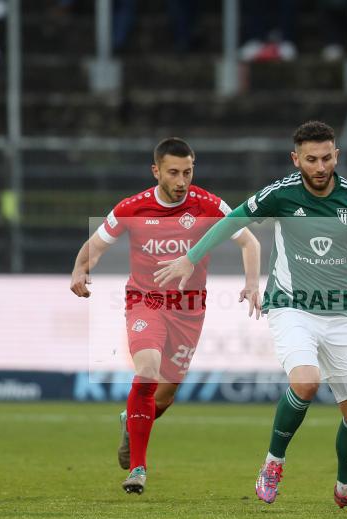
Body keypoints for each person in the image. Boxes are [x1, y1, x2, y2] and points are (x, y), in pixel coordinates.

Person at [153, 121, 347, 508]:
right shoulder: (280, 194)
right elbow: (234, 221)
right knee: (306, 382)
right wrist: (190, 257)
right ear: (295, 159)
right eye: (311, 159)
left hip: (339, 312)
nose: (319, 167)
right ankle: (273, 463)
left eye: (326, 158)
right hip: (289, 307)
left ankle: (346, 488)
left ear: (337, 156)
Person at [69, 138, 262, 494]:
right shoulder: (133, 207)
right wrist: (80, 269)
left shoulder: (208, 204)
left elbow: (250, 241)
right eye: (173, 172)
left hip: (189, 312)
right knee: (147, 372)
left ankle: (132, 421)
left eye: (187, 172)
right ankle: (138, 469)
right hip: (146, 303)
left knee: (164, 396)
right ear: (156, 171)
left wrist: (252, 283)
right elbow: (95, 246)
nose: (181, 180)